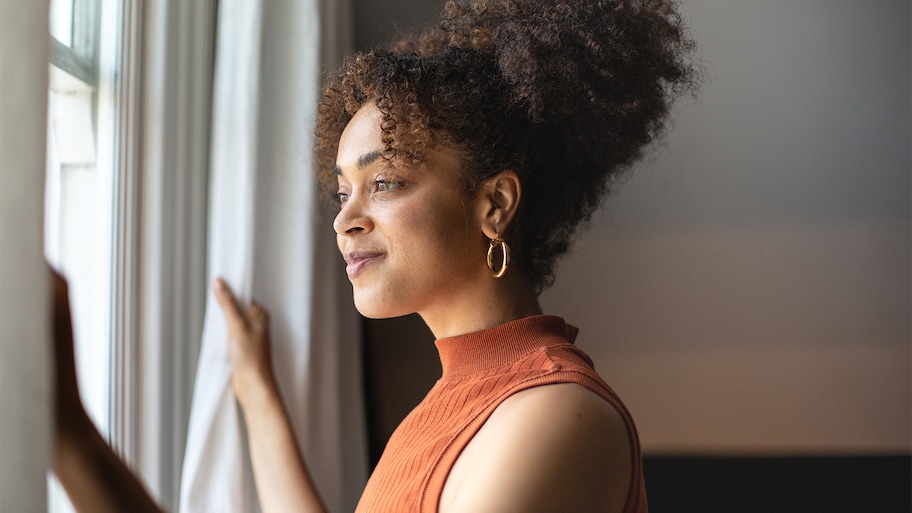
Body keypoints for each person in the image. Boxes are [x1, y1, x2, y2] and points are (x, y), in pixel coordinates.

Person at [51, 0, 696, 511]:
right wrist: (253, 390)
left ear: (493, 204)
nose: (343, 220)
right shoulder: (462, 395)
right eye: (341, 191)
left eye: (383, 182)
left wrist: (74, 441)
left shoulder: (552, 414)